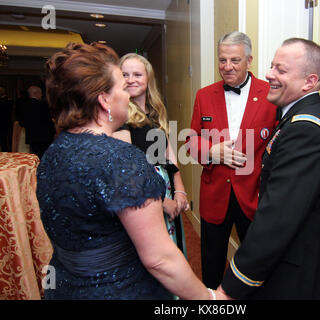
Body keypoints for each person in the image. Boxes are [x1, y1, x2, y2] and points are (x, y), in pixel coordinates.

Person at [37, 42, 215, 300]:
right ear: (104, 100)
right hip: (120, 289)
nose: (128, 94)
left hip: (67, 286)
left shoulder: (52, 152)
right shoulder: (120, 159)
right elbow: (159, 259)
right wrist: (211, 300)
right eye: (122, 86)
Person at [218, 38, 320, 299]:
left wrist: (231, 287)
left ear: (309, 82)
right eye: (271, 66)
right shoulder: (300, 118)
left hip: (300, 273)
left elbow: (277, 219)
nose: (268, 74)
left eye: (281, 70)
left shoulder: (305, 131)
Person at [185, 31, 277, 289]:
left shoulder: (271, 93)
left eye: (235, 60)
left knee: (256, 262)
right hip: (215, 194)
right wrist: (212, 152)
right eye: (222, 60)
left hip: (254, 194)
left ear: (249, 60)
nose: (227, 67)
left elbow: (280, 142)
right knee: (211, 260)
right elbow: (191, 140)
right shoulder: (204, 95)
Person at [113, 53, 189, 257]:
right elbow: (126, 171)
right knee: (155, 256)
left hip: (164, 185)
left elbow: (168, 152)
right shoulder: (120, 114)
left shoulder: (156, 109)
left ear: (148, 78)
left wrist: (180, 189)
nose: (131, 80)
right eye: (125, 75)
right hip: (144, 194)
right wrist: (162, 202)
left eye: (137, 74)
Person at [18, 85, 55, 159]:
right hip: (45, 137)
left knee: (35, 157)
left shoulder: (23, 105)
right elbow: (49, 122)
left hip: (32, 137)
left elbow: (21, 123)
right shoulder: (43, 105)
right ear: (36, 93)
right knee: (45, 158)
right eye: (40, 93)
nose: (41, 95)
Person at [0, 86, 13, 152]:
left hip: (7, 122)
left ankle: (10, 151)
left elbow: (9, 109)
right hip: (1, 123)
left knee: (9, 138)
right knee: (2, 140)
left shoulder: (8, 100)